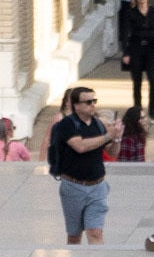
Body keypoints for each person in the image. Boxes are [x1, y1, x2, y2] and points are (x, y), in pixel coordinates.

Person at [47, 86, 115, 242]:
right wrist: (107, 137)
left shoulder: (98, 124)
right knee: (74, 235)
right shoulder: (67, 124)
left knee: (95, 232)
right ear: (76, 105)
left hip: (98, 186)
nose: (93, 105)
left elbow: (111, 152)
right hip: (73, 186)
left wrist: (116, 138)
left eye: (94, 101)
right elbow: (80, 146)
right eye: (88, 102)